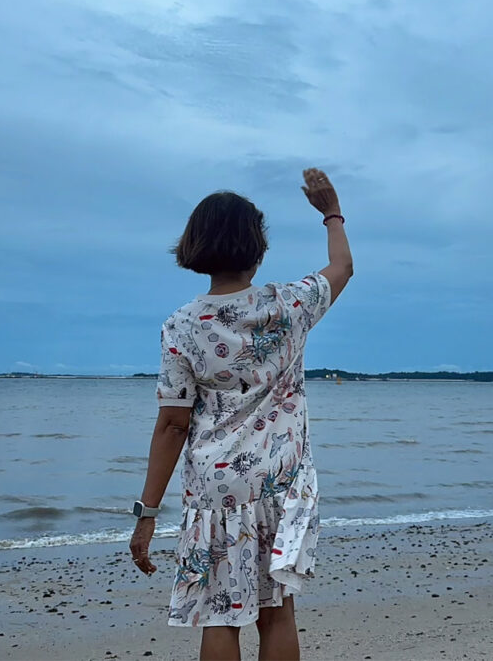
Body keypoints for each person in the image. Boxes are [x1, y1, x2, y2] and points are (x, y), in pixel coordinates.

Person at [130, 168, 353, 661]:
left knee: (219, 612)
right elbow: (342, 267)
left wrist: (146, 515)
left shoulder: (182, 326)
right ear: (258, 247)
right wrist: (331, 213)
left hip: (216, 490)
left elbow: (172, 424)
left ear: (194, 245)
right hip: (282, 482)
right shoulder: (288, 305)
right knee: (278, 610)